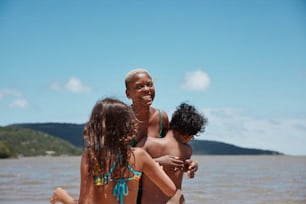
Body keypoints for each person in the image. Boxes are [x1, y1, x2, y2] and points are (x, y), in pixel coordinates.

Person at [50, 98, 176, 204]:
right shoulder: (139, 156)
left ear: (96, 126)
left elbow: (85, 202)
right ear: (128, 126)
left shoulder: (91, 156)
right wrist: (158, 169)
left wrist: (63, 197)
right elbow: (170, 190)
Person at [140, 102, 208, 204]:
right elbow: (187, 175)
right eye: (192, 137)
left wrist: (191, 165)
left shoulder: (148, 143)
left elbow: (131, 165)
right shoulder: (186, 149)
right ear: (187, 136)